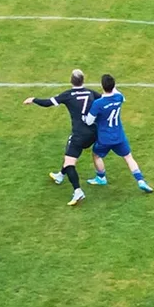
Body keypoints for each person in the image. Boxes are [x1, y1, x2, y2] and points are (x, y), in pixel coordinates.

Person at [23, 69, 98, 206]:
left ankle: (78, 191)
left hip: (79, 135)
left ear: (71, 81)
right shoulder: (91, 92)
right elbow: (103, 102)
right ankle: (60, 176)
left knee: (70, 162)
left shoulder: (68, 95)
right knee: (70, 155)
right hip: (93, 133)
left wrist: (33, 99)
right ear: (83, 80)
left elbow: (48, 103)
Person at [86, 74, 153, 192]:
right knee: (128, 157)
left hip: (104, 138)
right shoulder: (119, 97)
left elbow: (89, 121)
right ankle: (140, 180)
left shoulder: (98, 103)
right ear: (114, 85)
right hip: (119, 136)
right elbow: (119, 94)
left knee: (96, 155)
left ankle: (101, 178)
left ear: (102, 86)